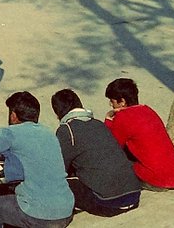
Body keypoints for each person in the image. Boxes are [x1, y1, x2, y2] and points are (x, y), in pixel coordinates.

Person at [0, 91, 75, 228]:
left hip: (39, 217)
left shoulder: (10, 133)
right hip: (66, 211)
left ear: (13, 116)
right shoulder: (49, 133)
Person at [51, 88, 141, 217]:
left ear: (58, 112)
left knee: (62, 184)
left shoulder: (66, 130)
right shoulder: (98, 124)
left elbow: (60, 169)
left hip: (109, 203)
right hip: (134, 194)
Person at [103, 77, 174, 190]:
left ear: (122, 101)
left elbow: (111, 145)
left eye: (112, 101)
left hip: (157, 178)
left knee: (118, 164)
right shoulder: (148, 110)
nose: (111, 104)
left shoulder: (124, 117)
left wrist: (108, 120)